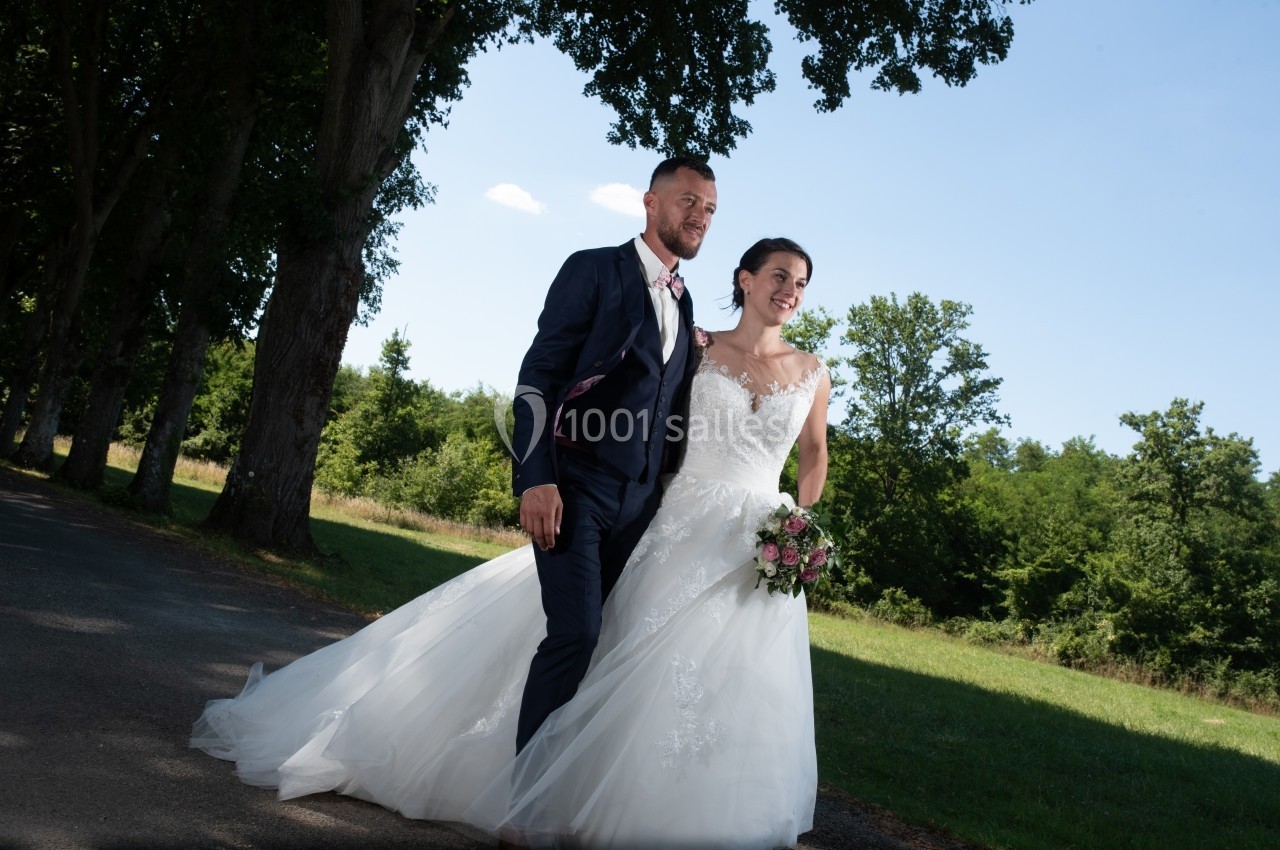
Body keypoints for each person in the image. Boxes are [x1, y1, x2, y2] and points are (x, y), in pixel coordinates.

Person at [191, 236, 831, 850]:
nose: (790, 292)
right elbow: (636, 403)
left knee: (735, 677)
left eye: (801, 284)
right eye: (779, 276)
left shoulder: (812, 372)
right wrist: (556, 469)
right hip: (673, 517)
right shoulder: (693, 345)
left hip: (756, 543)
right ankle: (552, 794)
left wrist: (798, 524)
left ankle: (705, 809)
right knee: (615, 646)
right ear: (745, 279)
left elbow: (813, 456)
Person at [510, 156, 716, 753]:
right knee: (575, 635)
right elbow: (538, 377)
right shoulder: (594, 269)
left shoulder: (685, 302)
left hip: (642, 502)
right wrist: (536, 478)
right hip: (575, 489)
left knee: (610, 648)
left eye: (709, 209)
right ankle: (524, 802)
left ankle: (566, 785)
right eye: (687, 202)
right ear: (650, 203)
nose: (699, 216)